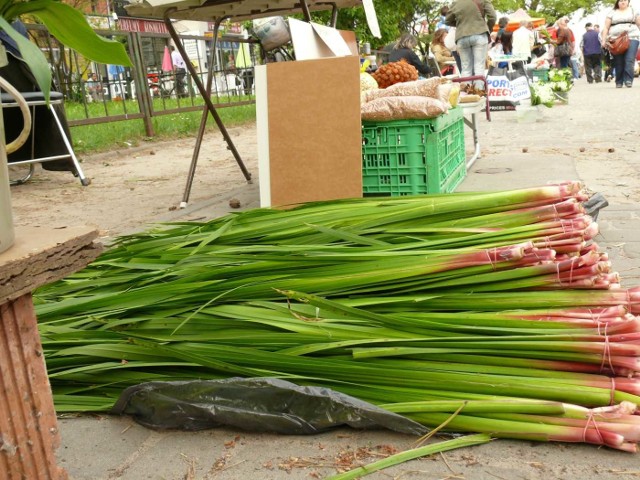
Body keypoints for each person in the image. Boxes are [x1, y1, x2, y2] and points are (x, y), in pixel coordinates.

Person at [445, 0, 497, 90]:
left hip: (462, 36)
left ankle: (467, 94)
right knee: (479, 66)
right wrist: (487, 28)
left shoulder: (456, 2)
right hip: (480, 34)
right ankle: (479, 94)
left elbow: (447, 21)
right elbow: (493, 16)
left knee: (465, 68)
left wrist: (460, 24)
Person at [600, 0, 640, 88]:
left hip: (632, 37)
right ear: (617, 2)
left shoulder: (634, 11)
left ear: (628, 2)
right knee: (619, 61)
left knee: (629, 59)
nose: (623, 2)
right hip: (616, 40)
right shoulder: (612, 12)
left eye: (625, 0)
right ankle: (619, 81)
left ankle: (628, 80)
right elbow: (606, 28)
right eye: (621, 0)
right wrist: (603, 40)